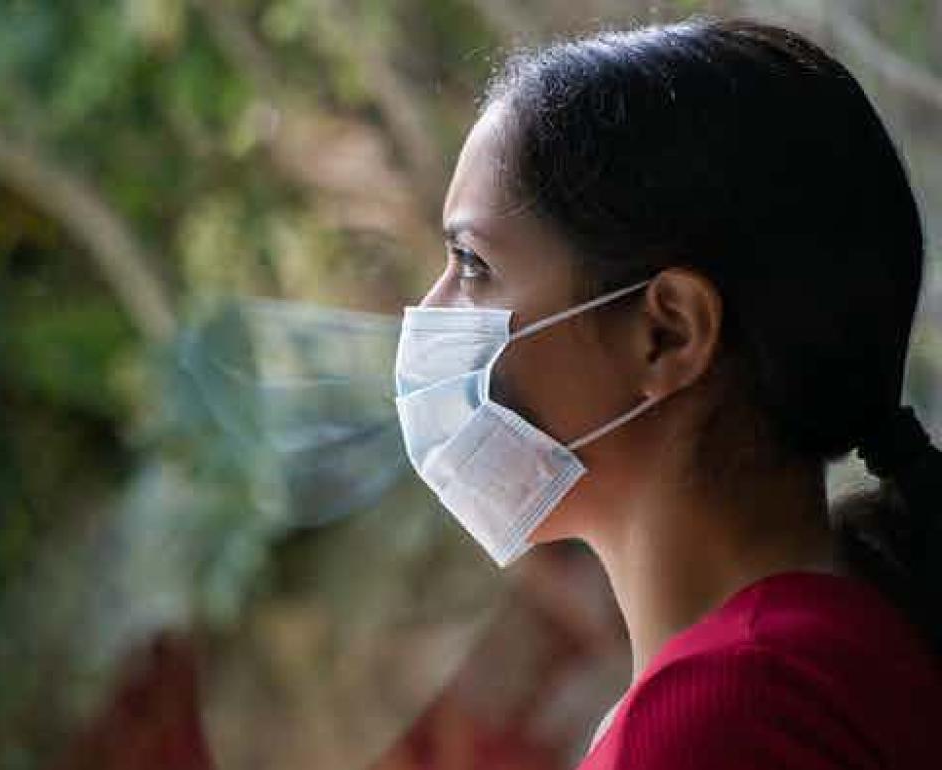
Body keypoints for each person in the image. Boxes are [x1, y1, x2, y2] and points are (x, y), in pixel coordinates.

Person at [392, 15, 942, 769]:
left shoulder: (723, 715)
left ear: (669, 333)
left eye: (473, 264)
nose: (430, 312)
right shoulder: (831, 647)